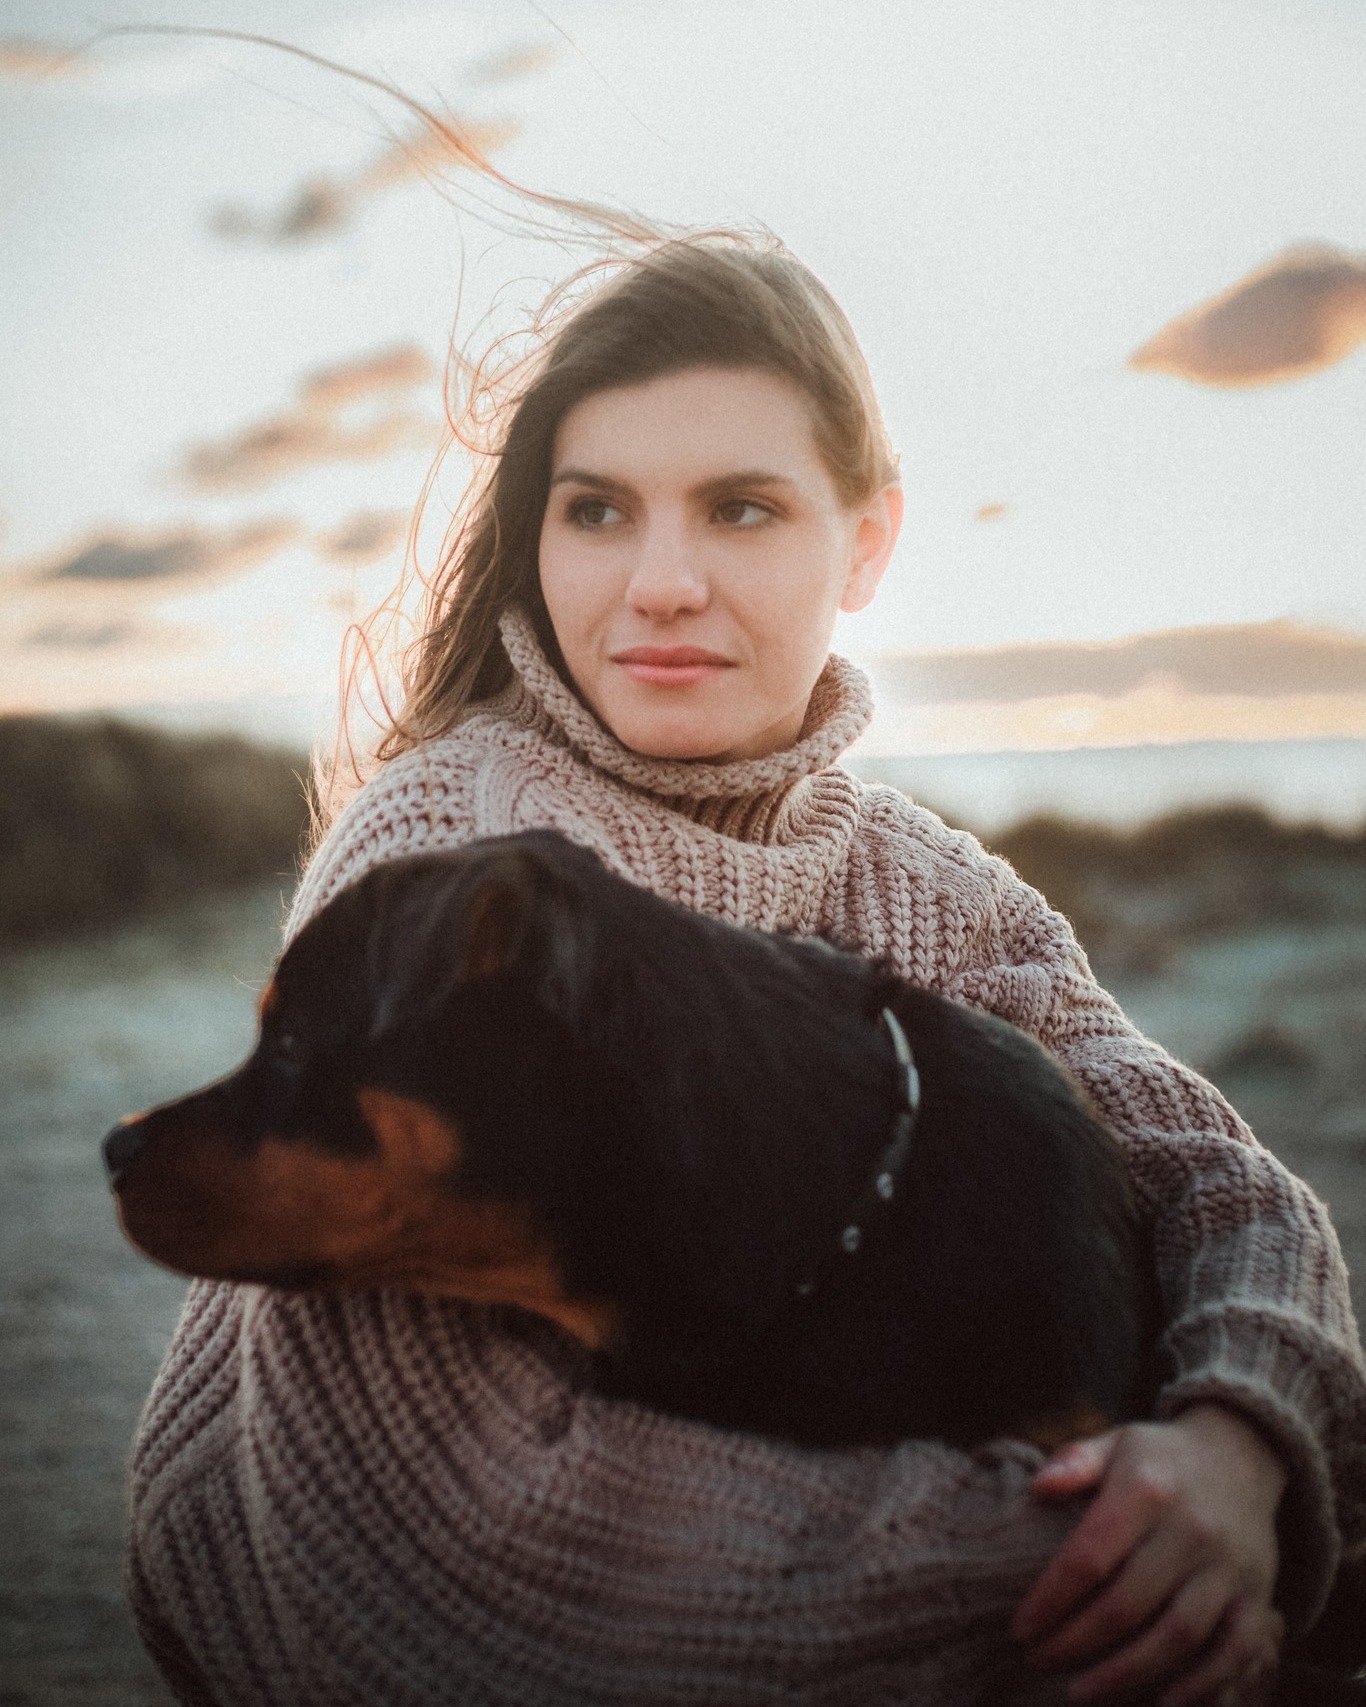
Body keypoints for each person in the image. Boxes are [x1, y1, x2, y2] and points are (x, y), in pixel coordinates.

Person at [123, 71, 1366, 1707]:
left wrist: (1231, 1454)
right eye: (596, 511)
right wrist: (1079, 1573)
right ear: (538, 538)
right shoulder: (452, 862)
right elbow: (446, 1531)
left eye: (742, 508)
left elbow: (1216, 1176)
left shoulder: (924, 890)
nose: (658, 583)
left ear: (864, 544)